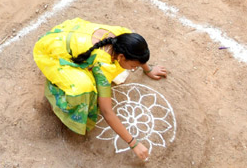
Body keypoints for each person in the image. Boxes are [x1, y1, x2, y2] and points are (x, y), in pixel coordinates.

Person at [33, 18, 168, 159]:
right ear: (121, 56)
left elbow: (138, 56)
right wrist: (133, 143)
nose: (134, 68)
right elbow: (106, 111)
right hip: (49, 52)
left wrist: (148, 69)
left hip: (64, 36)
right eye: (134, 66)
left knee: (112, 71)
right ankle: (55, 90)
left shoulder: (125, 36)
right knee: (84, 88)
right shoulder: (102, 66)